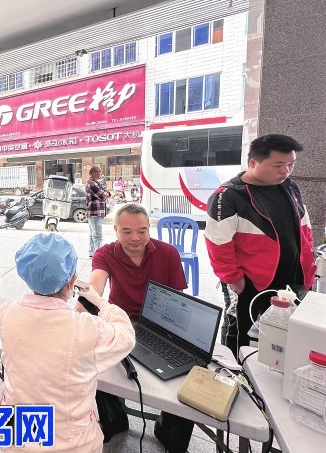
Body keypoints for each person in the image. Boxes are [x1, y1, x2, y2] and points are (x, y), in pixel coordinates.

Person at [0, 233, 135, 451]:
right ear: (72, 281)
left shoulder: (7, 313)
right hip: (70, 445)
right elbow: (126, 335)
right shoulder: (85, 329)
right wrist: (101, 303)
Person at [89, 203, 193, 452]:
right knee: (96, 366)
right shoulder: (105, 253)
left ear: (149, 229)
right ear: (115, 229)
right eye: (127, 231)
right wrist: (79, 311)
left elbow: (178, 299)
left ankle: (167, 431)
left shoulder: (168, 253)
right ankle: (114, 421)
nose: (135, 238)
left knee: (187, 376)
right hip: (119, 323)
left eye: (142, 231)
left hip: (159, 326)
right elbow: (95, 287)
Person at [205, 134, 316, 356]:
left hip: (293, 278)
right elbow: (217, 243)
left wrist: (309, 266)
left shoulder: (290, 187)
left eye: (291, 165)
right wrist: (234, 278)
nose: (286, 171)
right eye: (278, 165)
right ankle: (235, 368)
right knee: (242, 333)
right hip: (251, 281)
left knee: (284, 336)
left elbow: (305, 229)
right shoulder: (228, 196)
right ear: (253, 162)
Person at [85, 166, 107, 257]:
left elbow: (105, 192)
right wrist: (106, 194)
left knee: (93, 234)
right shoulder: (92, 184)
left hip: (95, 212)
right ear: (94, 173)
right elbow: (103, 196)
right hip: (95, 212)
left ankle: (92, 252)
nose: (100, 173)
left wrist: (106, 193)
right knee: (97, 236)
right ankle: (99, 255)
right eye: (99, 171)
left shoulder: (95, 183)